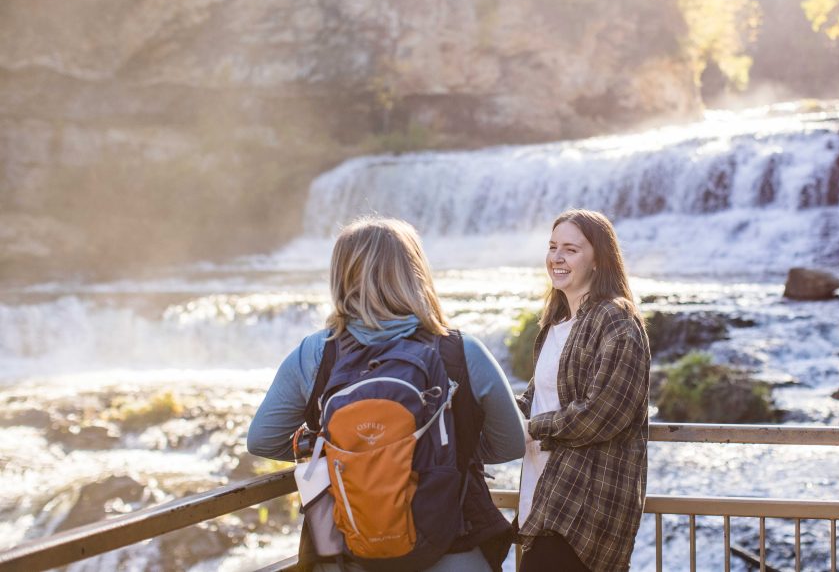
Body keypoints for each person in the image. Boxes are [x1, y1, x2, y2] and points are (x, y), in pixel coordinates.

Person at [248, 216, 525, 572]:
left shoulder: (315, 353)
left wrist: (354, 452)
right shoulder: (462, 351)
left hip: (346, 550)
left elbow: (262, 440)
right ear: (415, 272)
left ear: (341, 276)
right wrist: (438, 451)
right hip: (455, 545)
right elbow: (511, 445)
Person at [517, 209, 650, 572]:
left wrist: (533, 428)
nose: (556, 258)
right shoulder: (558, 322)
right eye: (552, 246)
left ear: (598, 260)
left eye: (571, 250)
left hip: (584, 505)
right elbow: (538, 397)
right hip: (546, 493)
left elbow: (604, 413)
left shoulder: (615, 319)